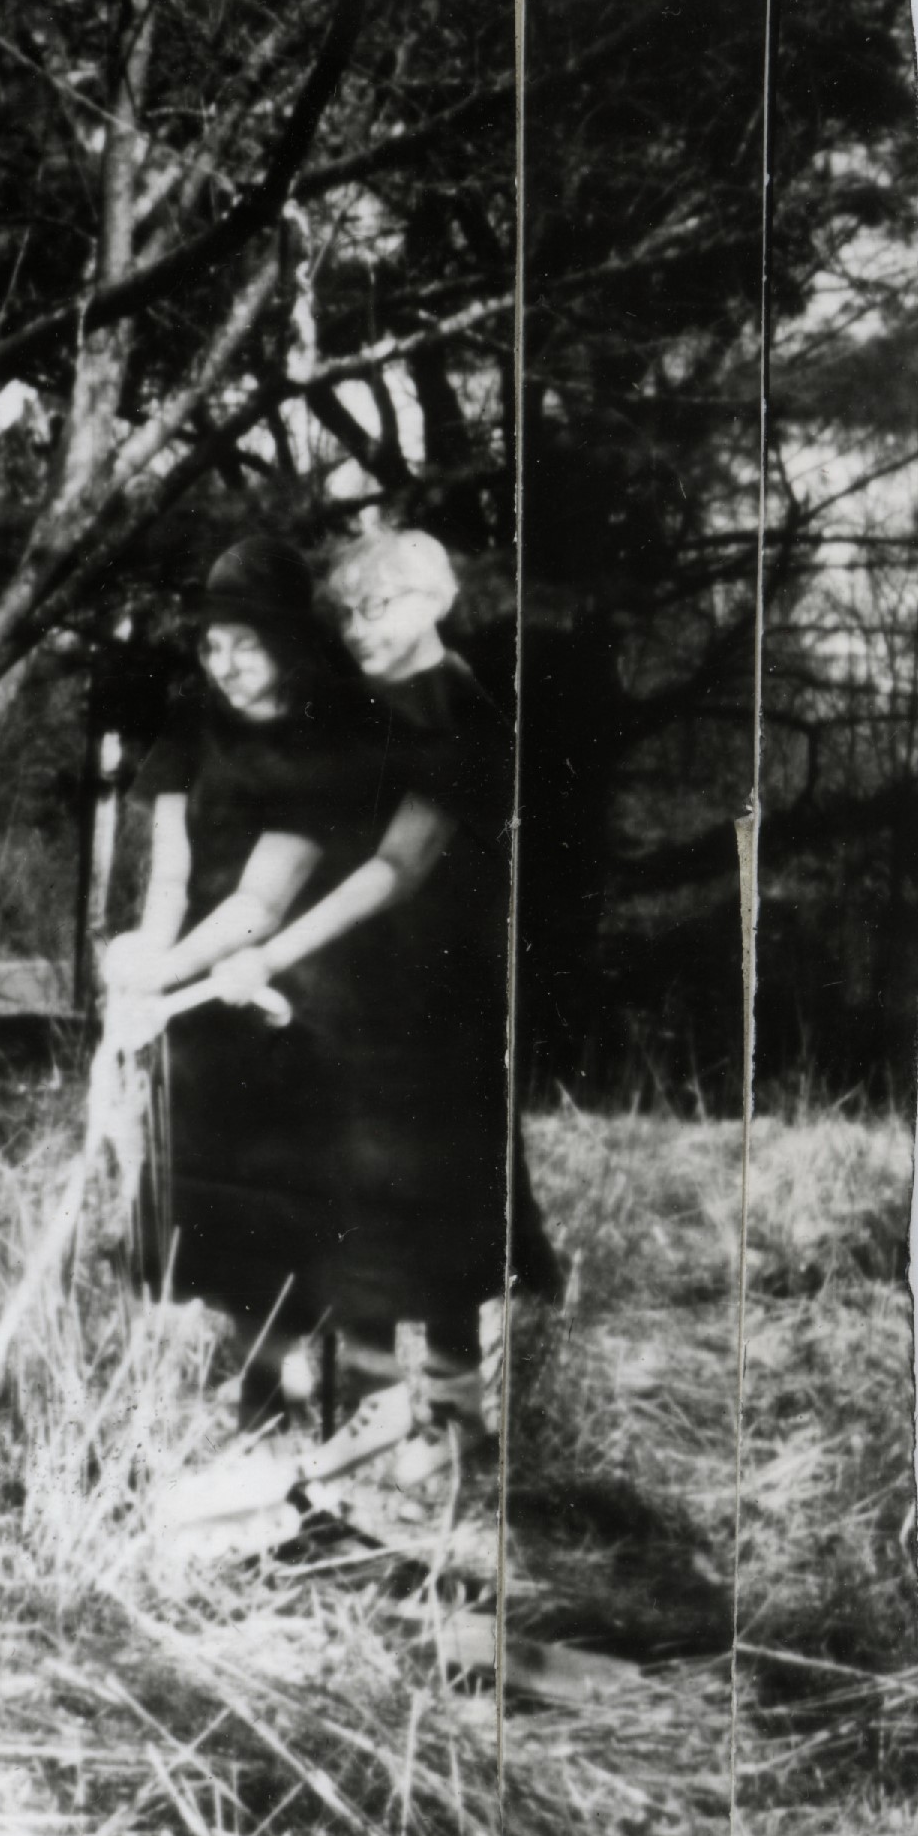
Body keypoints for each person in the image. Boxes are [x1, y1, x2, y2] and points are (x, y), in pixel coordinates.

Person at [191, 528, 560, 1407]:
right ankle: (359, 1417)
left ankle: (455, 1422)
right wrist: (212, 953)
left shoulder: (462, 711)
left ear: (433, 602)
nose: (358, 628)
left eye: (378, 606)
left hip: (435, 996)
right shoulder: (342, 718)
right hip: (338, 996)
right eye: (346, 612)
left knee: (439, 1211)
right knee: (344, 1201)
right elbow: (286, 854)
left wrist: (272, 952)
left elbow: (398, 867)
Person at [102, 539, 386, 1376]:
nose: (224, 663)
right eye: (211, 644)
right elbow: (174, 872)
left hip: (296, 983)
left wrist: (167, 973)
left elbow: (262, 901)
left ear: (291, 641)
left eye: (246, 643)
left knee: (280, 1194)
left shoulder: (331, 735)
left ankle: (293, 1380)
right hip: (198, 980)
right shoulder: (194, 724)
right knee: (189, 1178)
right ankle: (211, 1376)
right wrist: (145, 959)